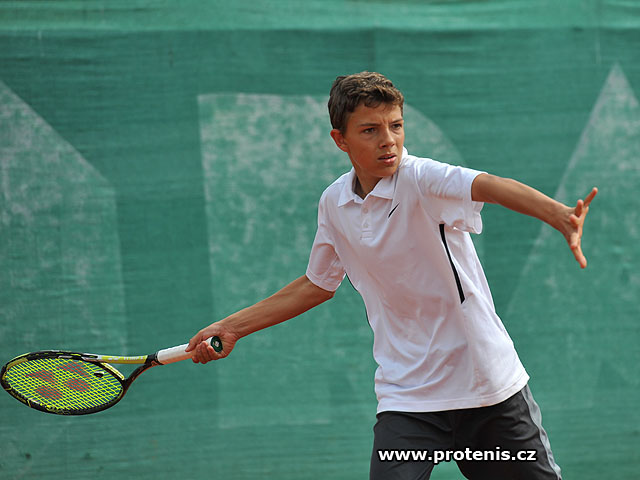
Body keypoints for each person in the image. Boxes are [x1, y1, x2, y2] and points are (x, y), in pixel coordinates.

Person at [186, 72, 597, 479]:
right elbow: (316, 284)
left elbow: (489, 185)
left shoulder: (422, 178)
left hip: (486, 388)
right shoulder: (334, 203)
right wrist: (233, 327)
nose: (388, 140)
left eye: (396, 126)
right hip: (409, 397)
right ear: (340, 140)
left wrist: (558, 215)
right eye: (370, 130)